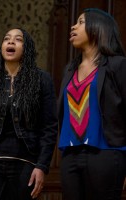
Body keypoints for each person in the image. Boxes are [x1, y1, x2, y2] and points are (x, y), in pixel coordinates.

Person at [0, 28, 58, 200]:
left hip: (25, 162)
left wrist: (42, 166)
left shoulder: (42, 80)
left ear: (27, 48)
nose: (10, 42)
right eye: (6, 39)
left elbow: (50, 128)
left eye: (18, 39)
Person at [58, 8, 126, 200]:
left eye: (80, 22)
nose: (73, 26)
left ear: (98, 28)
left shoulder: (118, 65)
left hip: (107, 153)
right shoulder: (69, 70)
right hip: (70, 155)